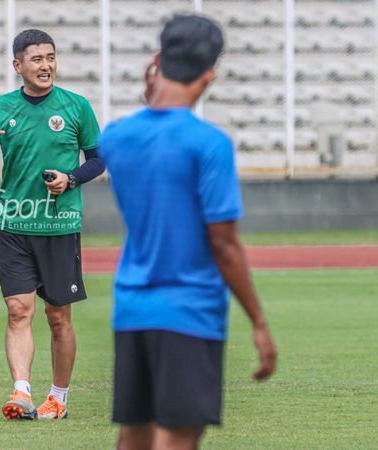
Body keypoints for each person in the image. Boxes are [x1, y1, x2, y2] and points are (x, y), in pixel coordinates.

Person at [98, 15, 278, 450]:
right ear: (210, 74)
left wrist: (150, 97)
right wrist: (258, 320)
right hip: (190, 311)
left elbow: (148, 135)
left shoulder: (117, 137)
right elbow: (223, 242)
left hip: (133, 308)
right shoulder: (208, 144)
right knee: (178, 439)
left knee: (133, 437)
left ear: (157, 61)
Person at [0, 29, 105, 420]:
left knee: (58, 316)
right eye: (37, 59)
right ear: (18, 65)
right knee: (17, 309)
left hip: (59, 227)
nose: (45, 66)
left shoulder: (76, 106)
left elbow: (97, 159)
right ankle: (21, 392)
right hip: (13, 224)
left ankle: (58, 397)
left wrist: (70, 179)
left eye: (51, 58)